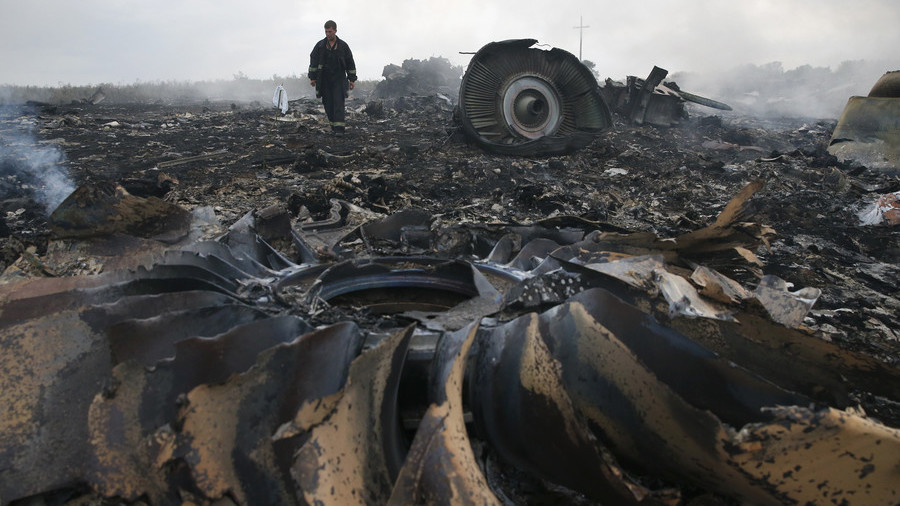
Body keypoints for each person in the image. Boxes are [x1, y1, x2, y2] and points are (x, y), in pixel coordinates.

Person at [308, 20, 357, 135]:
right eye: (326, 32)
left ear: (335, 30)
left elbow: (350, 63)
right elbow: (313, 62)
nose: (328, 34)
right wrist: (312, 78)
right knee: (328, 104)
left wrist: (352, 79)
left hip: (339, 79)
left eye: (330, 31)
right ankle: (333, 126)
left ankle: (339, 130)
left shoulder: (343, 46)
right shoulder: (320, 46)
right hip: (324, 80)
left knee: (338, 103)